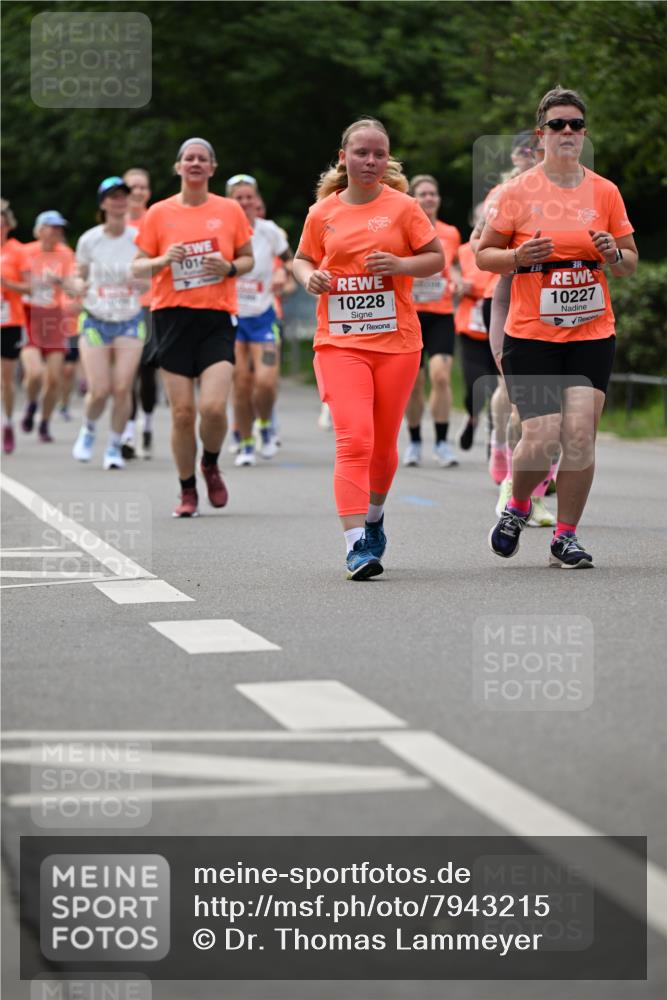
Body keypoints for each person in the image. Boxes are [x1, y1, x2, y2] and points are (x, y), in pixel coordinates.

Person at [478, 87, 638, 567]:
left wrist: (613, 254)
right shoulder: (516, 191)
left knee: (581, 434)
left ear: (583, 134)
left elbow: (629, 262)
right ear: (540, 133)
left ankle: (565, 536)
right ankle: (518, 505)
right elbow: (483, 254)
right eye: (557, 125)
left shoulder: (604, 191)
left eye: (575, 125)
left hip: (592, 331)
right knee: (543, 434)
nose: (566, 132)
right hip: (531, 333)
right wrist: (515, 256)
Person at [293, 117, 444, 579]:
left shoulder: (403, 207)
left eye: (379, 153)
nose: (371, 161)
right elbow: (301, 259)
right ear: (343, 157)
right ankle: (356, 545)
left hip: (396, 342)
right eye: (361, 153)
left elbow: (436, 258)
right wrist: (310, 278)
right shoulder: (323, 212)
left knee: (382, 446)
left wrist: (400, 263)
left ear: (388, 158)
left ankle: (375, 519)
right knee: (353, 437)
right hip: (339, 342)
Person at [132, 137, 253, 516]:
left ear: (212, 168)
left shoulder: (230, 210)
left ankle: (211, 464)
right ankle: (187, 490)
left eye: (202, 158)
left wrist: (229, 267)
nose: (195, 163)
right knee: (183, 413)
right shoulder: (159, 212)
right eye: (189, 158)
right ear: (179, 166)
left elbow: (248, 259)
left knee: (214, 408)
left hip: (216, 317)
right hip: (170, 317)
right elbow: (137, 265)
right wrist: (163, 260)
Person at [72, 177, 148, 469]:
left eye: (123, 196)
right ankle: (89, 429)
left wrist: (141, 281)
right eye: (113, 196)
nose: (119, 201)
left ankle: (114, 447)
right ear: (103, 203)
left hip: (130, 320)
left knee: (122, 388)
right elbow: (80, 274)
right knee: (99, 390)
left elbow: (150, 275)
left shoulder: (138, 238)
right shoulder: (89, 239)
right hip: (95, 320)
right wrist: (78, 284)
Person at [226, 173, 293, 466]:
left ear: (257, 199)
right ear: (230, 201)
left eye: (248, 196)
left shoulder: (269, 231)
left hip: (264, 317)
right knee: (241, 383)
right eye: (238, 197)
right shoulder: (222, 231)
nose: (244, 202)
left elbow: (291, 260)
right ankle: (246, 442)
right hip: (232, 318)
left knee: (266, 382)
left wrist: (283, 272)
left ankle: (265, 424)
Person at [402, 174, 461, 468]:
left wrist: (459, 282)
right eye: (422, 194)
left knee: (440, 376)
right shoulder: (403, 231)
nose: (428, 198)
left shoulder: (450, 233)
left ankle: (441, 442)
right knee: (413, 383)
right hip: (410, 314)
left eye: (432, 193)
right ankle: (414, 441)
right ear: (414, 198)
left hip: (441, 315)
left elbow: (455, 267)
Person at [20, 211, 77, 442]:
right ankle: (32, 403)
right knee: (35, 373)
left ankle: (44, 422)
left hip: (54, 317)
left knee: (55, 378)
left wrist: (60, 281)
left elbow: (73, 286)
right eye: (51, 227)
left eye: (59, 228)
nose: (56, 232)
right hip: (29, 315)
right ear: (39, 229)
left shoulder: (66, 254)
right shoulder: (26, 252)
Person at [121, 167, 158, 459]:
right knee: (126, 372)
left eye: (142, 187)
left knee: (147, 371)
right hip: (121, 307)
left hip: (150, 304)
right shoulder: (115, 224)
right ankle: (128, 432)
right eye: (132, 187)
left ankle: (147, 423)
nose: (138, 192)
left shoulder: (154, 220)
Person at [1, 200, 28, 454]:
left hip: (10, 321)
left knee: (6, 378)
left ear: (8, 225)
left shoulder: (18, 251)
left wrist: (7, 283)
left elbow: (30, 288)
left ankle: (7, 423)